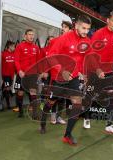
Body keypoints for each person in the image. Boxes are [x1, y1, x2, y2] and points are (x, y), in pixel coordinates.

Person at [39, 15, 92, 146]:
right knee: (51, 102)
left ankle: (67, 135)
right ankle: (43, 122)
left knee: (77, 104)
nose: (86, 31)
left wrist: (84, 74)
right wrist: (62, 70)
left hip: (73, 78)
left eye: (88, 29)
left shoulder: (87, 41)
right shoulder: (64, 38)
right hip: (59, 78)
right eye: (83, 28)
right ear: (76, 26)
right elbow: (51, 57)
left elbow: (84, 59)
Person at [87, 11, 113, 133]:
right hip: (94, 71)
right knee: (90, 97)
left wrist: (112, 68)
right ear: (107, 20)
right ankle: (87, 118)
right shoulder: (99, 34)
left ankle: (109, 125)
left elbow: (112, 54)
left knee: (112, 96)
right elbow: (91, 54)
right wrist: (97, 69)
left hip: (108, 71)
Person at [14, 29, 41, 118]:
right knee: (20, 93)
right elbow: (16, 60)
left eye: (32, 34)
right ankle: (21, 111)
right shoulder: (19, 46)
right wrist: (19, 71)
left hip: (33, 75)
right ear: (25, 36)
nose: (31, 36)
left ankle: (34, 113)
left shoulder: (36, 47)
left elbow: (38, 61)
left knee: (33, 93)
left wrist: (39, 73)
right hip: (22, 74)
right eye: (29, 34)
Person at [1, 41, 16, 110]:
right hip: (5, 74)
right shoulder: (3, 54)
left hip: (11, 75)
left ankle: (1, 98)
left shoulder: (14, 54)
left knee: (8, 88)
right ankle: (8, 105)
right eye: (13, 46)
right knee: (7, 88)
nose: (14, 48)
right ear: (9, 46)